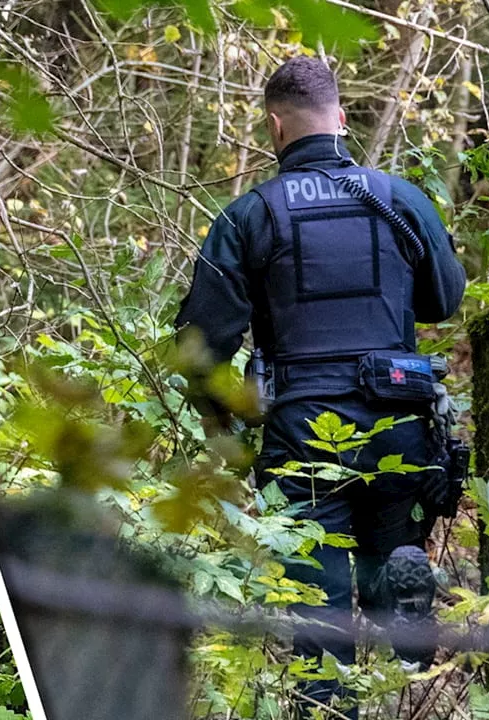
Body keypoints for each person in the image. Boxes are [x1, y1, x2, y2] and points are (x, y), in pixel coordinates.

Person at [173, 56, 466, 718]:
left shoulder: (249, 217)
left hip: (303, 432)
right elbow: (443, 301)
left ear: (274, 127)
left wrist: (228, 424)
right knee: (395, 545)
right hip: (401, 419)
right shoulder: (400, 198)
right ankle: (404, 629)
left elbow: (198, 349)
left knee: (319, 609)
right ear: (340, 118)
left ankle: (329, 698)